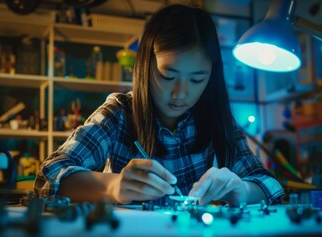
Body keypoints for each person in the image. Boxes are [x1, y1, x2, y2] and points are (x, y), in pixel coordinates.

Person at [34, 4, 284, 207]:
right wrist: (114, 186)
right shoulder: (119, 114)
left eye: (197, 79)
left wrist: (241, 189)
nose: (180, 93)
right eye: (168, 76)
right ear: (146, 66)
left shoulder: (215, 118)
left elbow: (269, 185)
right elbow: (49, 175)